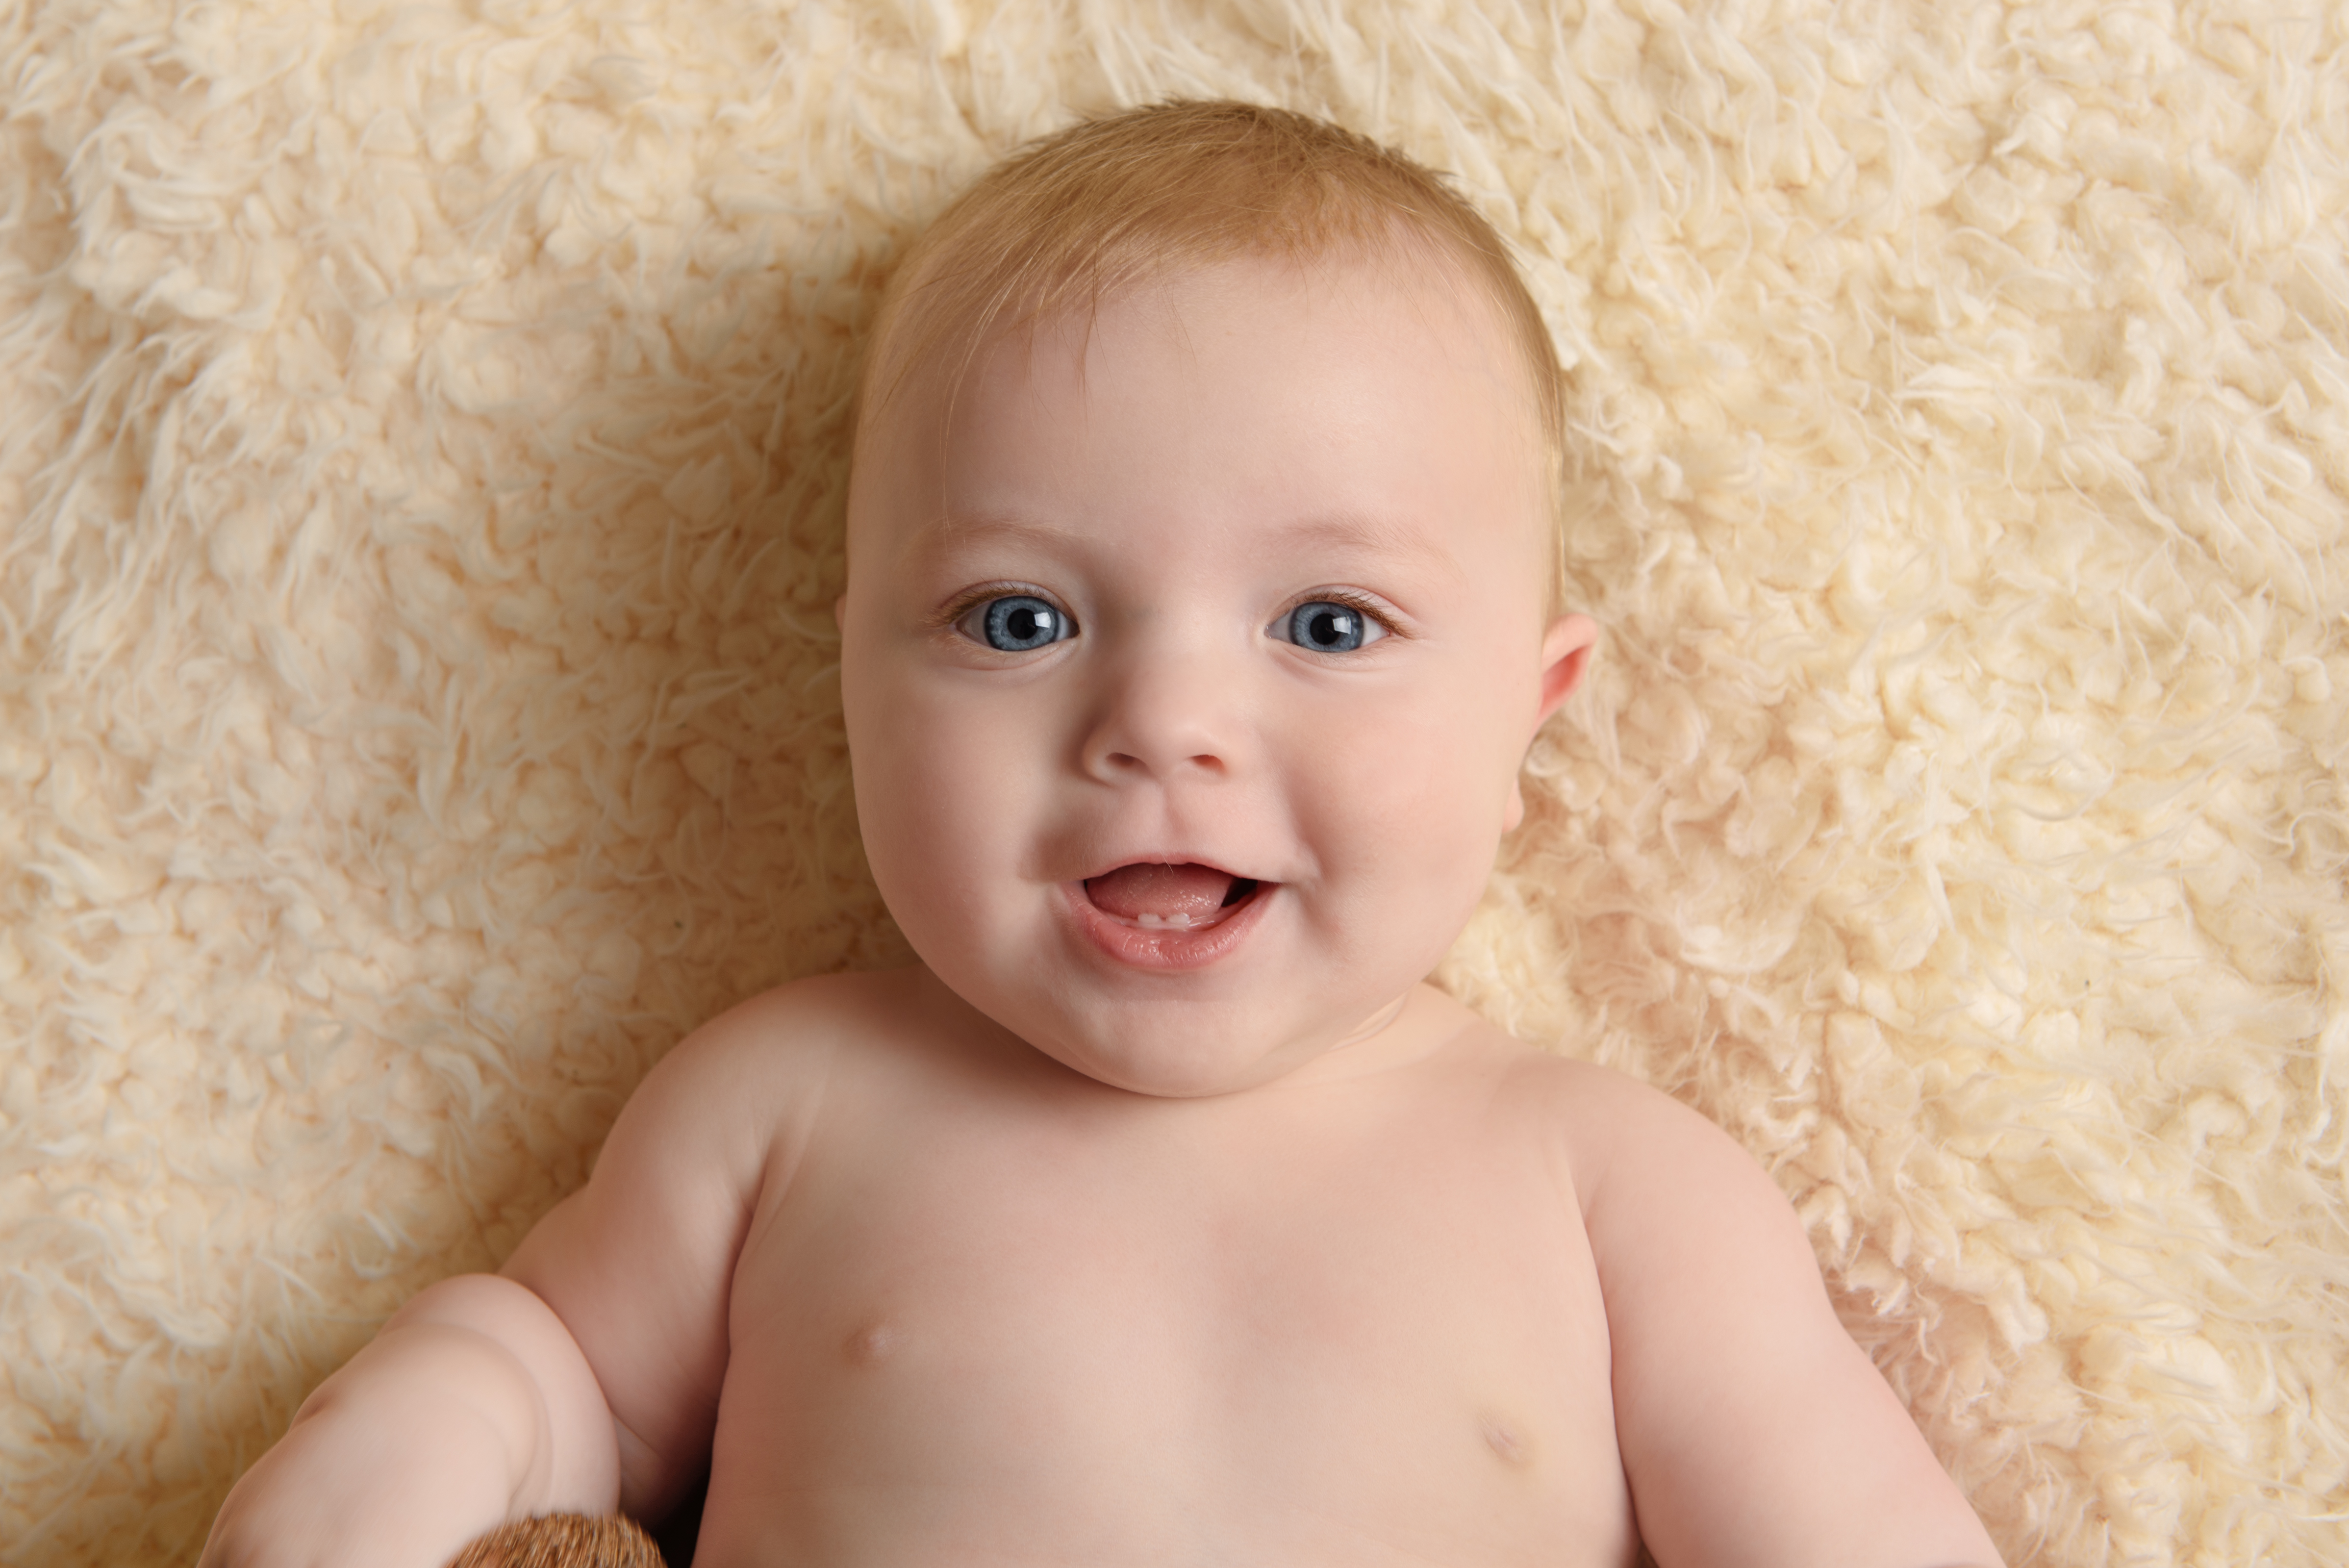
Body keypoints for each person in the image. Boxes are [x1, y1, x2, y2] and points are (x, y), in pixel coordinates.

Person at [200, 100, 2005, 1568]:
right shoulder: (786, 1105)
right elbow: (567, 1368)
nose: (1162, 728)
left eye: (1328, 626)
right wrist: (430, 1425)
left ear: (1527, 720)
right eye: (1018, 620)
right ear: (850, 678)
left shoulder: (1611, 1191)